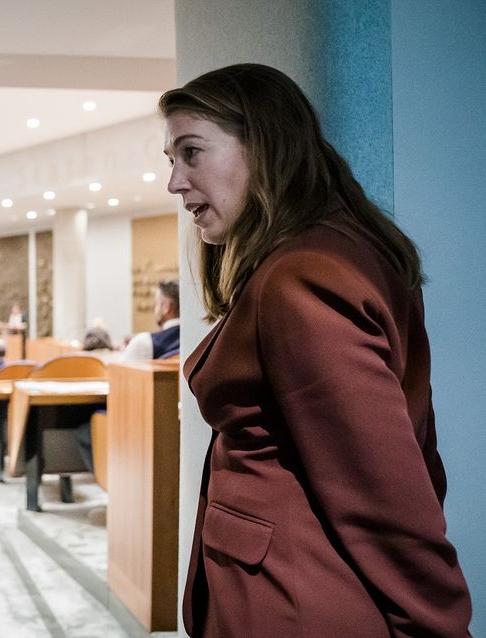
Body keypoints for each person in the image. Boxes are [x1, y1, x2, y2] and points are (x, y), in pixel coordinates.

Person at [161, 64, 471, 636]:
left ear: (264, 145)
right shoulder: (334, 253)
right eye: (171, 161)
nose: (175, 182)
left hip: (294, 605)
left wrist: (437, 625)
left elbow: (385, 495)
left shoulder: (302, 279)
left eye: (192, 153)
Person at [122, 279, 180, 361]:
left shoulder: (144, 342)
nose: (154, 309)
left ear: (166, 307)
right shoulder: (197, 343)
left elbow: (119, 372)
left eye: (156, 304)